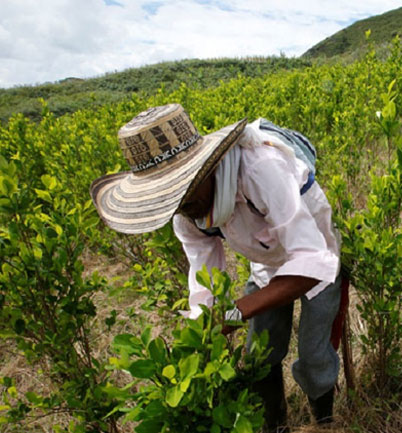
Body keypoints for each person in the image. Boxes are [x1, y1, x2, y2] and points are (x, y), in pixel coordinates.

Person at [90, 103, 341, 432]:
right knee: (259, 358)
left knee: (313, 354)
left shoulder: (259, 169)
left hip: (317, 253)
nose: (183, 206)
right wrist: (203, 334)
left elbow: (310, 262)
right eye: (171, 198)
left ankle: (324, 420)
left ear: (207, 167)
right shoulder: (187, 214)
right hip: (267, 266)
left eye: (184, 190)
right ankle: (275, 426)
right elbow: (204, 285)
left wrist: (234, 314)